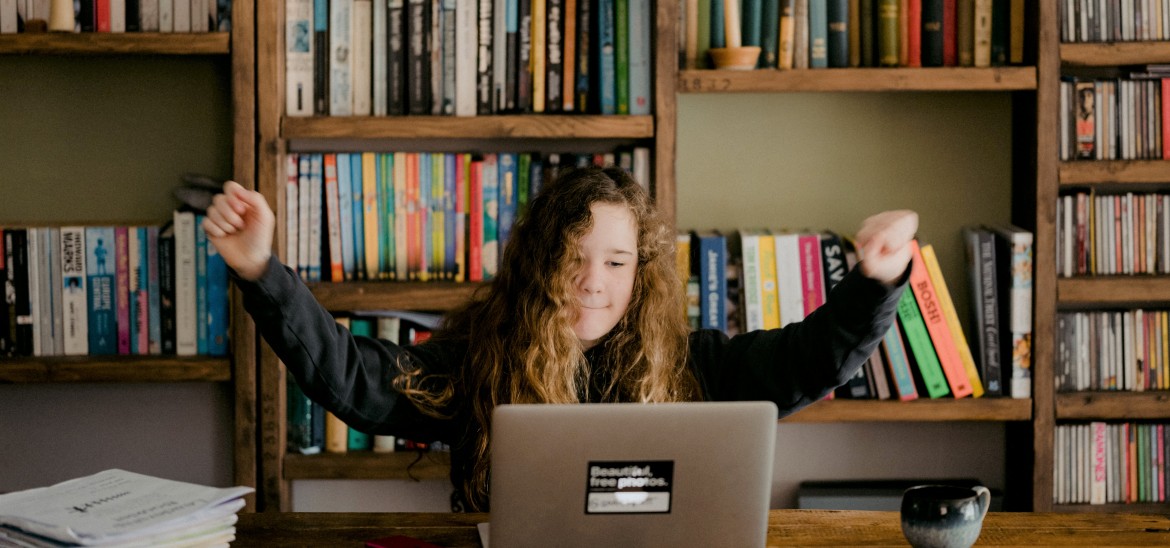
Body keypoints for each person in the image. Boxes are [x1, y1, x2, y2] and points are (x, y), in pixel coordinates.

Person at [204, 165, 918, 512]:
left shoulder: (695, 366)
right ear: (539, 263)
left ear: (640, 273)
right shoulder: (482, 363)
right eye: (571, 258)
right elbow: (354, 379)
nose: (592, 282)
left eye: (615, 262)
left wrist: (876, 282)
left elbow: (806, 362)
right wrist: (263, 272)